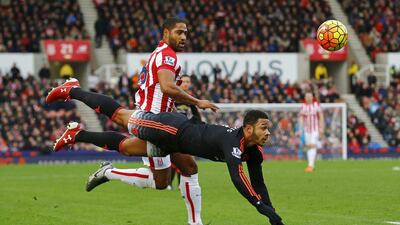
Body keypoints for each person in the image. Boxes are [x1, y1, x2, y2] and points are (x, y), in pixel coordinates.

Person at [46, 17, 218, 225]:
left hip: (161, 120)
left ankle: (96, 156)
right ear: (165, 33)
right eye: (178, 32)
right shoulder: (167, 55)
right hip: (154, 121)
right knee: (184, 165)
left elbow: (163, 88)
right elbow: (167, 87)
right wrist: (197, 101)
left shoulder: (160, 54)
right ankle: (73, 93)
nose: (183, 37)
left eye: (185, 33)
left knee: (161, 179)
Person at [52, 104, 284, 225]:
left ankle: (102, 164)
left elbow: (258, 182)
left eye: (268, 128)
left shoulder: (254, 152)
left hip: (178, 139)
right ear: (248, 128)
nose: (268, 132)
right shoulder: (234, 143)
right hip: (168, 126)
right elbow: (237, 176)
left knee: (150, 165)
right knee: (122, 122)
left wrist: (270, 211)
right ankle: (74, 97)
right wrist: (257, 203)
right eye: (264, 127)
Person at [299, 91, 324, 172]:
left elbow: (321, 117)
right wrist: (301, 129)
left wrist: (321, 128)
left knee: (313, 145)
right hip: (307, 130)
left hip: (315, 129)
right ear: (305, 98)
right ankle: (310, 165)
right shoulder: (303, 106)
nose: (309, 98)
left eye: (310, 96)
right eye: (307, 96)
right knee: (309, 146)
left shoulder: (316, 105)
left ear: (312, 97)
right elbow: (302, 118)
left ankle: (311, 165)